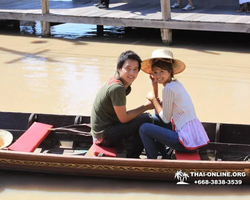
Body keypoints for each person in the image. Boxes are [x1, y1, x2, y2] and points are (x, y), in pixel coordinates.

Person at [139, 49, 209, 159]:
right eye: (155, 72)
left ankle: (152, 161)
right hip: (192, 138)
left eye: (162, 71)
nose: (158, 76)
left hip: (185, 142)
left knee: (144, 128)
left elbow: (166, 119)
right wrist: (155, 86)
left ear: (170, 71)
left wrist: (153, 100)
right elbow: (160, 115)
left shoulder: (168, 89)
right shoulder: (176, 84)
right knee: (154, 117)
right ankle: (163, 155)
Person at [91, 50, 154, 158]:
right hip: (104, 136)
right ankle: (133, 157)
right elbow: (124, 119)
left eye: (135, 70)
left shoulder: (118, 80)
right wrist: (146, 106)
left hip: (102, 132)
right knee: (146, 119)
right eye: (128, 69)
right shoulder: (118, 87)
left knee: (139, 118)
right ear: (119, 68)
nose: (132, 73)